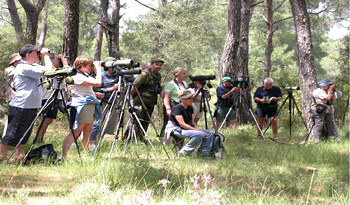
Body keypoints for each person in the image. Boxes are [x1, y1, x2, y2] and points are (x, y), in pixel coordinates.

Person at [0, 44, 53, 161]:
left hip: (31, 106)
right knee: (12, 132)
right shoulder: (23, 67)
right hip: (21, 106)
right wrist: (46, 56)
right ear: (28, 55)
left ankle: (19, 155)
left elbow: (51, 71)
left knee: (26, 132)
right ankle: (1, 155)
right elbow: (48, 71)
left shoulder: (32, 66)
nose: (38, 53)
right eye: (36, 52)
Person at [61, 56, 102, 159]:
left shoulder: (84, 75)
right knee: (76, 131)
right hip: (82, 105)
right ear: (81, 66)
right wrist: (99, 69)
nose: (91, 67)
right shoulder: (77, 76)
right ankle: (63, 156)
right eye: (90, 65)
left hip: (89, 104)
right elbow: (98, 82)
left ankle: (86, 152)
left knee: (88, 130)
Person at [164, 89, 214, 157]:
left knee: (210, 133)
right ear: (182, 99)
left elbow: (193, 123)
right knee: (199, 134)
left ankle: (204, 152)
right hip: (176, 129)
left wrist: (198, 129)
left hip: (186, 129)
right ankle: (185, 152)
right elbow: (182, 124)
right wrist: (198, 131)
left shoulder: (190, 108)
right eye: (189, 98)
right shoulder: (177, 108)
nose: (191, 100)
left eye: (192, 98)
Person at [36, 53, 70, 143]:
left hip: (55, 96)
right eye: (57, 59)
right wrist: (65, 63)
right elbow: (67, 71)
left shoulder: (57, 70)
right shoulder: (50, 70)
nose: (59, 60)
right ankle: (38, 138)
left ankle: (39, 137)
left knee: (49, 119)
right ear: (51, 60)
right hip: (48, 97)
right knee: (46, 119)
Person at [89, 57, 119, 151]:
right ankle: (91, 143)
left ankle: (98, 142)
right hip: (102, 102)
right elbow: (95, 89)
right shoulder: (100, 74)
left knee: (107, 125)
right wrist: (111, 89)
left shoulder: (118, 75)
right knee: (97, 123)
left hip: (113, 102)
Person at [131, 59, 164, 138]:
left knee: (146, 120)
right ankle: (134, 138)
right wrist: (132, 99)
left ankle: (141, 137)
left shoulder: (158, 76)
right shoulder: (144, 74)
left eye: (160, 65)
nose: (159, 66)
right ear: (152, 65)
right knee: (138, 119)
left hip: (151, 101)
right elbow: (134, 86)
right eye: (157, 64)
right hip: (140, 100)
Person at [311, 78, 341, 143]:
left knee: (331, 123)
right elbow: (327, 98)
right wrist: (330, 90)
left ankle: (333, 138)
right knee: (319, 124)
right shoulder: (317, 91)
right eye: (329, 85)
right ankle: (317, 140)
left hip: (329, 109)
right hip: (319, 109)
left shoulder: (329, 91)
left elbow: (333, 101)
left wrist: (333, 91)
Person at [161, 67, 188, 137]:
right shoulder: (170, 84)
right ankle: (163, 137)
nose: (186, 75)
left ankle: (177, 137)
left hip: (181, 106)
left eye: (186, 73)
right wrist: (168, 109)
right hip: (172, 105)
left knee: (179, 123)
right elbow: (166, 97)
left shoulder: (184, 83)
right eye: (183, 74)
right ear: (177, 74)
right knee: (168, 122)